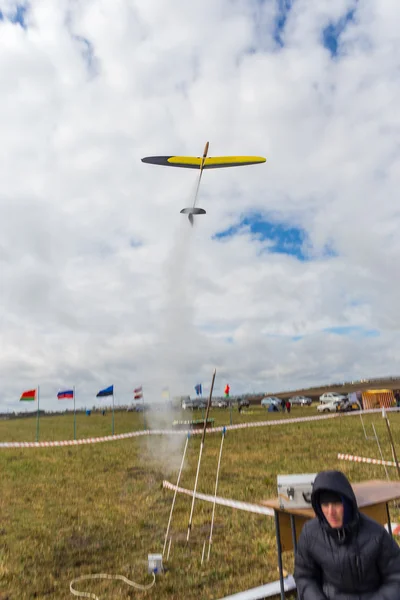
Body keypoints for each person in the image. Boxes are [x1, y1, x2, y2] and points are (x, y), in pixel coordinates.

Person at [294, 470, 400, 599]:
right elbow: (304, 576)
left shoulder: (376, 534)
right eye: (325, 505)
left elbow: (396, 576)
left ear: (348, 503)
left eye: (337, 504)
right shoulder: (310, 533)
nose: (330, 512)